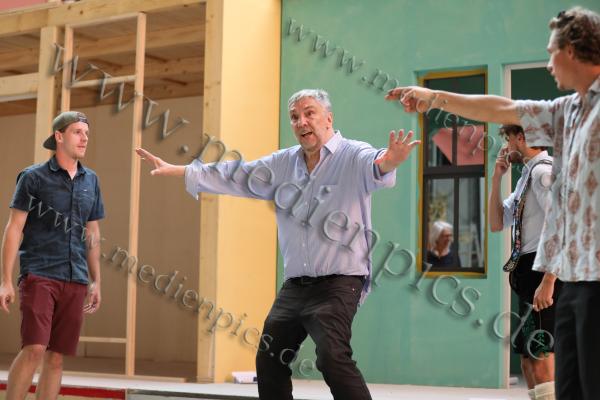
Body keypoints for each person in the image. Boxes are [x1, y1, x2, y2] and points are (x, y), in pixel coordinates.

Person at [136, 89, 420, 400]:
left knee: (331, 356)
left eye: (309, 113)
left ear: (328, 118)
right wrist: (179, 170)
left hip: (340, 281)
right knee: (269, 358)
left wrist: (391, 160)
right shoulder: (283, 163)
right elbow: (235, 175)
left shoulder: (352, 154)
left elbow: (376, 164)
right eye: (295, 117)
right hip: (296, 285)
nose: (301, 122)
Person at [385, 7, 600, 399]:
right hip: (574, 278)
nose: (549, 64)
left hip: (591, 277)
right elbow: (502, 108)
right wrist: (434, 97)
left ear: (571, 50)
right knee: (570, 386)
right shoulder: (568, 112)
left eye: (551, 53)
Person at [0, 111, 104, 400]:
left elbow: (93, 233)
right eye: (77, 132)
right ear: (59, 136)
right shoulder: (32, 177)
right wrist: (6, 280)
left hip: (75, 278)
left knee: (56, 356)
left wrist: (96, 280)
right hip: (39, 274)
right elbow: (14, 228)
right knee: (34, 348)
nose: (84, 138)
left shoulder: (91, 180)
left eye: (86, 133)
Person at [489, 124, 560, 399]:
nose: (506, 147)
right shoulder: (526, 176)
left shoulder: (543, 173)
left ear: (522, 138)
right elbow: (497, 223)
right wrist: (497, 178)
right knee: (528, 359)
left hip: (542, 272)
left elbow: (562, 225)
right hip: (527, 275)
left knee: (540, 354)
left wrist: (549, 280)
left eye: (508, 139)